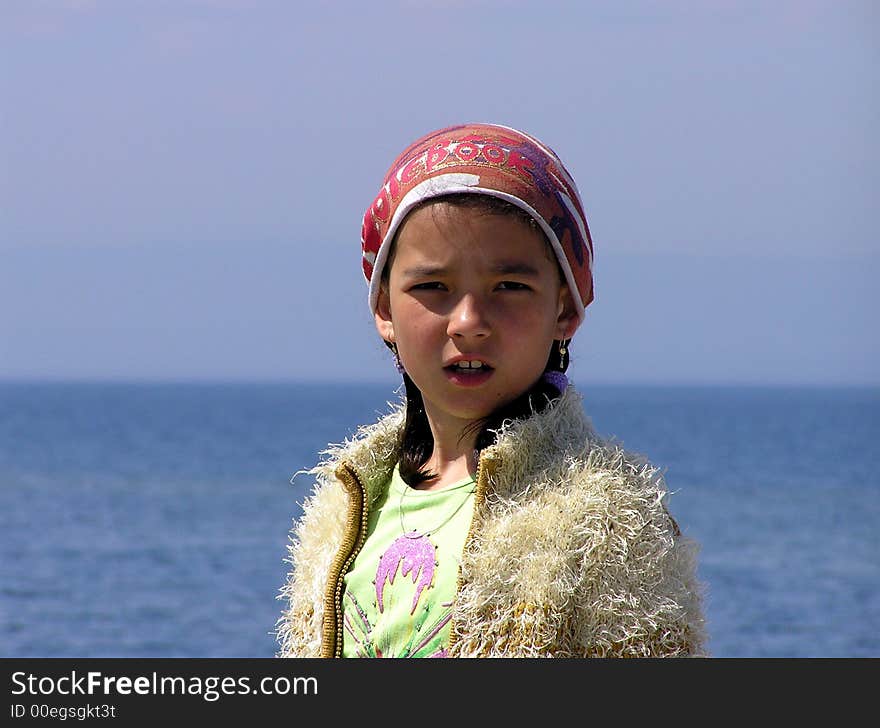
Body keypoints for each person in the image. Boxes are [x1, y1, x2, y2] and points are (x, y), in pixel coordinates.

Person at [276, 123, 706, 658]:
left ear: (566, 307)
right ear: (384, 308)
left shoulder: (611, 519)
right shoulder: (341, 508)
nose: (469, 322)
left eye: (509, 287)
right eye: (432, 287)